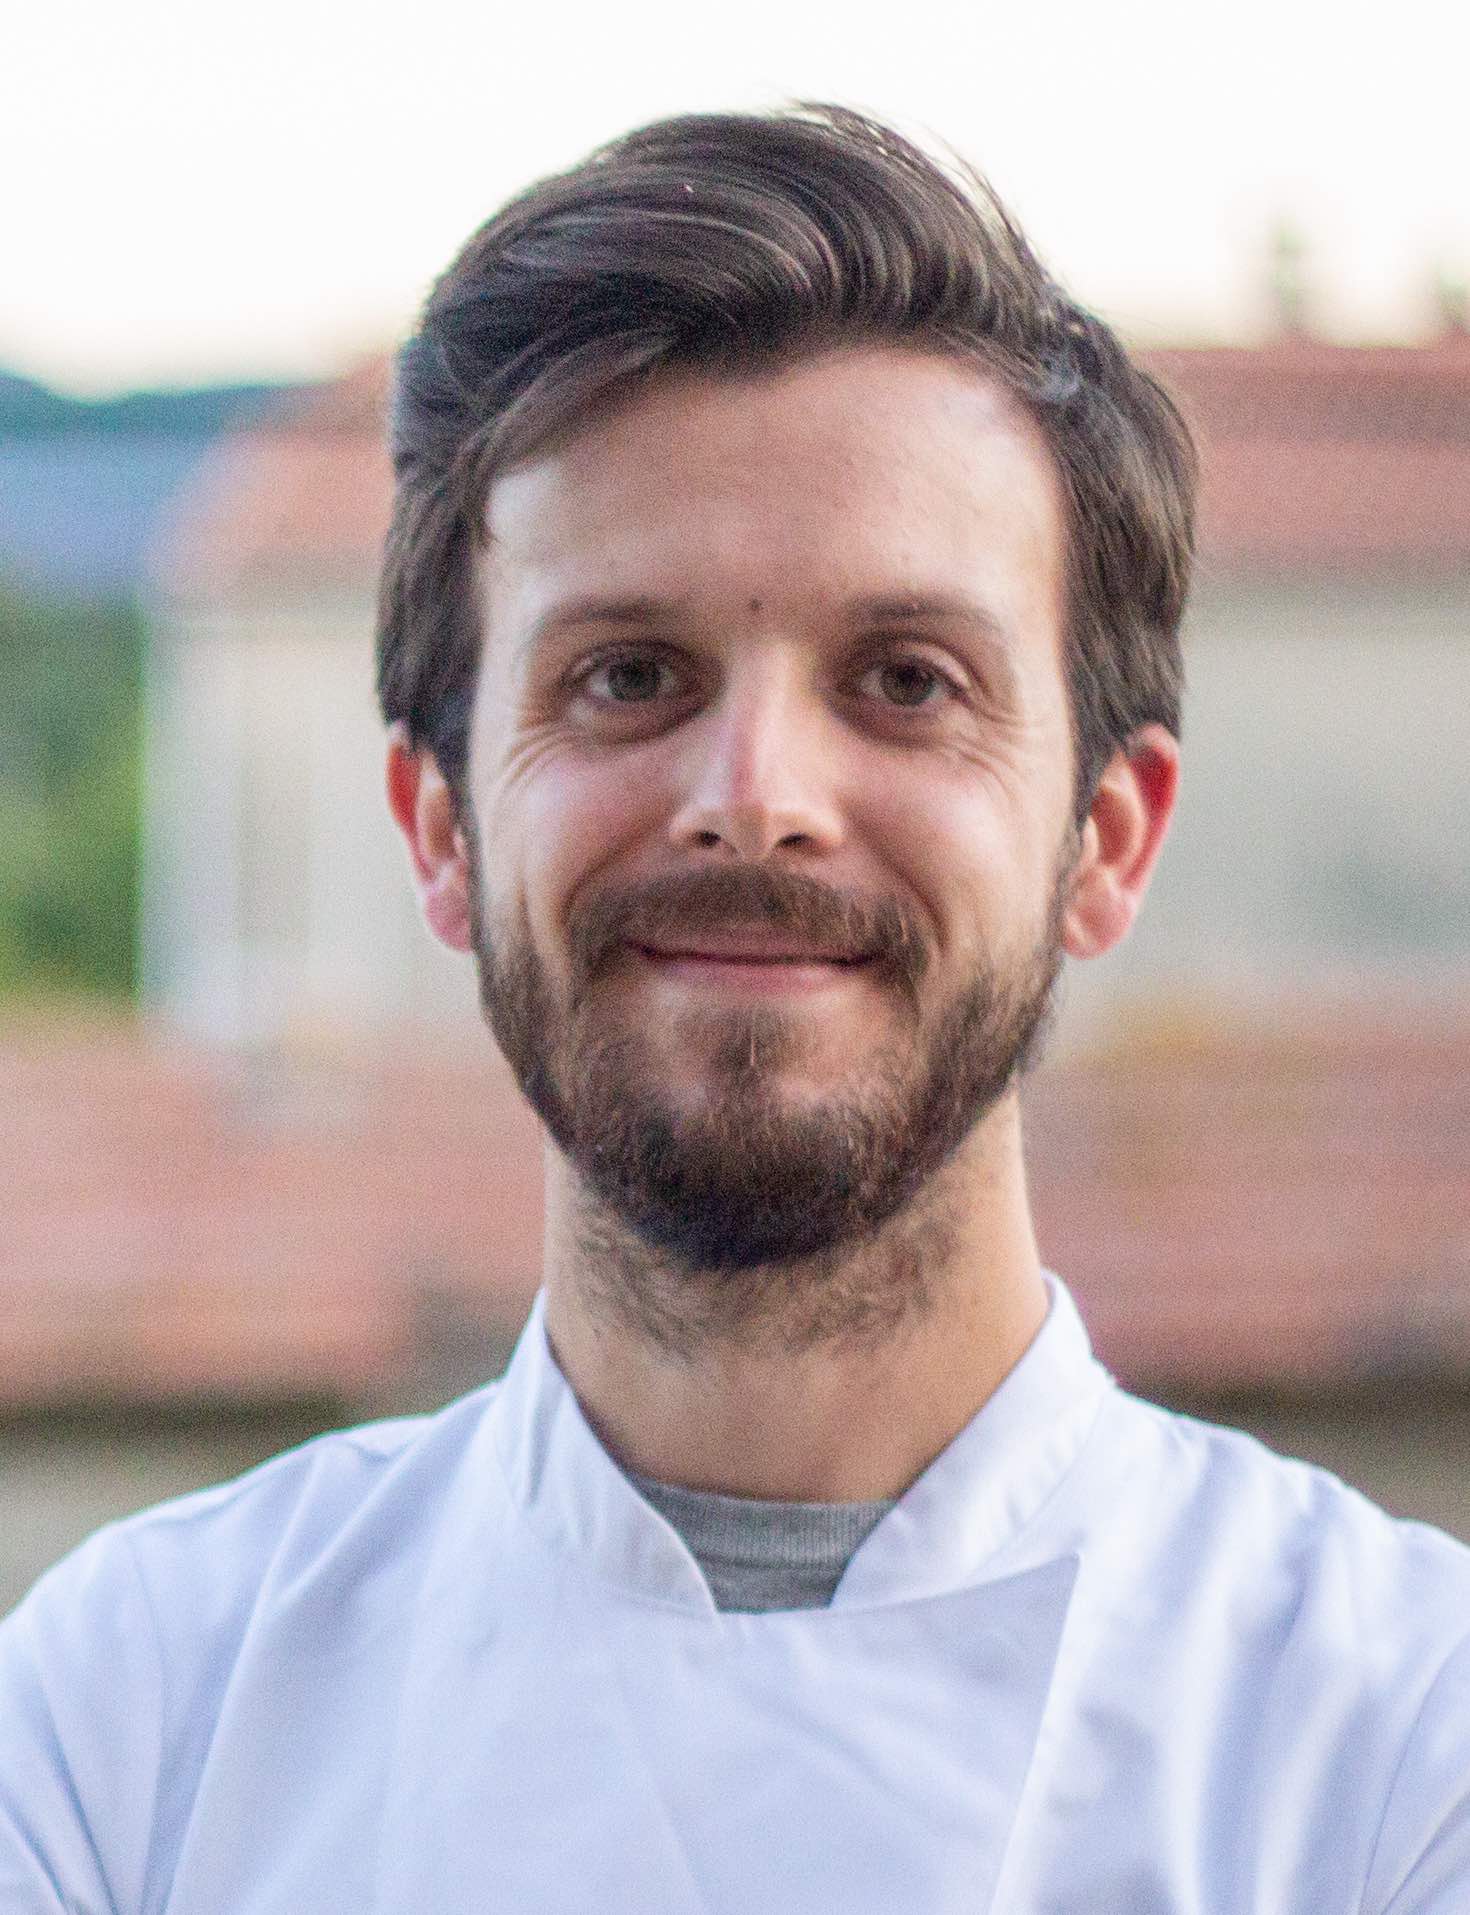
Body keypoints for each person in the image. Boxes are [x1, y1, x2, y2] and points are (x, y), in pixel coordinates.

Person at [2, 105, 1467, 1915]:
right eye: (628, 675)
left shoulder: (1400, 1750)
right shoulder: (126, 1725)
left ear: (1106, 837)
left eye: (906, 681)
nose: (756, 795)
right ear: (442, 829)